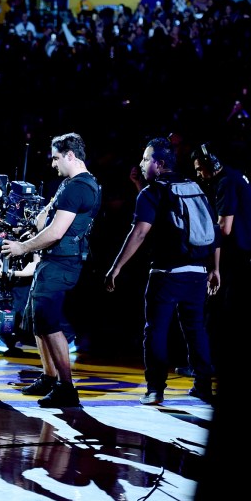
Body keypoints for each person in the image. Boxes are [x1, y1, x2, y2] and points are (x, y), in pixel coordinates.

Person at [104, 137, 220, 405]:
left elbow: (141, 232)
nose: (142, 163)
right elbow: (212, 231)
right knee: (196, 330)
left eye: (146, 159)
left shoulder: (152, 192)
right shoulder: (194, 187)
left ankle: (155, 389)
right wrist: (215, 268)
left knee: (156, 331)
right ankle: (203, 386)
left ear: (160, 163)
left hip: (166, 274)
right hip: (197, 272)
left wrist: (116, 267)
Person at [1, 132, 100, 408]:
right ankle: (48, 376)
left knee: (50, 323)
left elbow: (56, 232)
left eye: (56, 158)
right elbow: (45, 218)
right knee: (37, 320)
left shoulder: (79, 188)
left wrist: (23, 248)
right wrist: (30, 227)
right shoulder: (69, 184)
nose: (53, 164)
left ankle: (66, 387)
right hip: (52, 261)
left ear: (70, 155)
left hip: (62, 263)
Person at [189, 143, 251, 374]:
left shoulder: (226, 183)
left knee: (218, 312)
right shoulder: (233, 177)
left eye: (201, 169)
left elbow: (224, 228)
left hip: (238, 259)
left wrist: (195, 235)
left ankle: (210, 366)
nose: (199, 174)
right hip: (248, 256)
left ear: (212, 164)